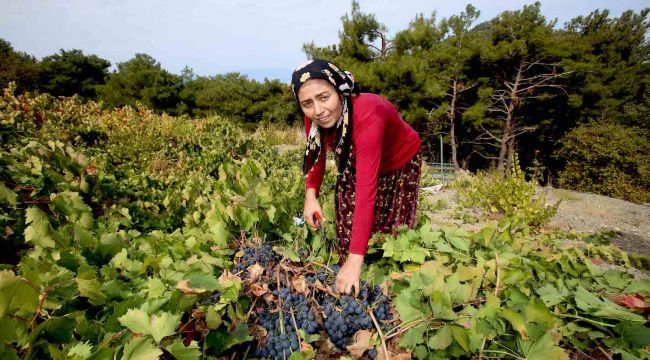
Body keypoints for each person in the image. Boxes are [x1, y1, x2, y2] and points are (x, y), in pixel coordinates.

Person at [291, 59, 422, 295]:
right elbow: (317, 154)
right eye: (307, 103)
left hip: (398, 159)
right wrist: (310, 195)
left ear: (339, 90)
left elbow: (366, 195)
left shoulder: (367, 116)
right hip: (358, 153)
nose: (318, 110)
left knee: (391, 224)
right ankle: (351, 265)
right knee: (346, 209)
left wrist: (355, 261)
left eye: (324, 97)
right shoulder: (314, 114)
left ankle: (383, 275)